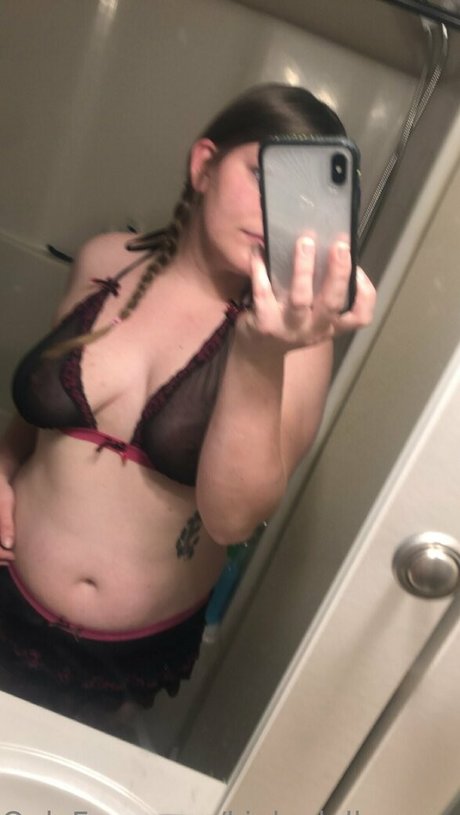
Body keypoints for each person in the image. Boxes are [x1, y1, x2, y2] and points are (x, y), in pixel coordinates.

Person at [0, 83, 376, 731]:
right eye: (260, 175)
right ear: (204, 165)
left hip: (124, 655)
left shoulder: (298, 341)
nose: (273, 211)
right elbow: (39, 417)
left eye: (298, 197)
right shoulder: (107, 259)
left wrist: (259, 353)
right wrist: (1, 468)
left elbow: (231, 520)